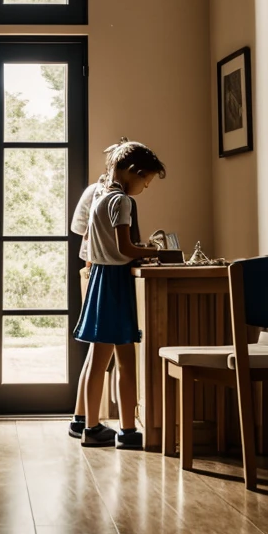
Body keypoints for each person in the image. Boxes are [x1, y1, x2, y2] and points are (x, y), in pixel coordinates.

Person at [69, 140, 166, 449]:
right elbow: (124, 248)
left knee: (107, 359)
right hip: (115, 283)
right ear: (134, 173)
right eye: (146, 181)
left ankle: (107, 427)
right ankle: (111, 430)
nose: (145, 188)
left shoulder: (100, 199)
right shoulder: (122, 201)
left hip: (101, 278)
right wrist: (153, 251)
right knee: (119, 360)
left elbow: (101, 246)